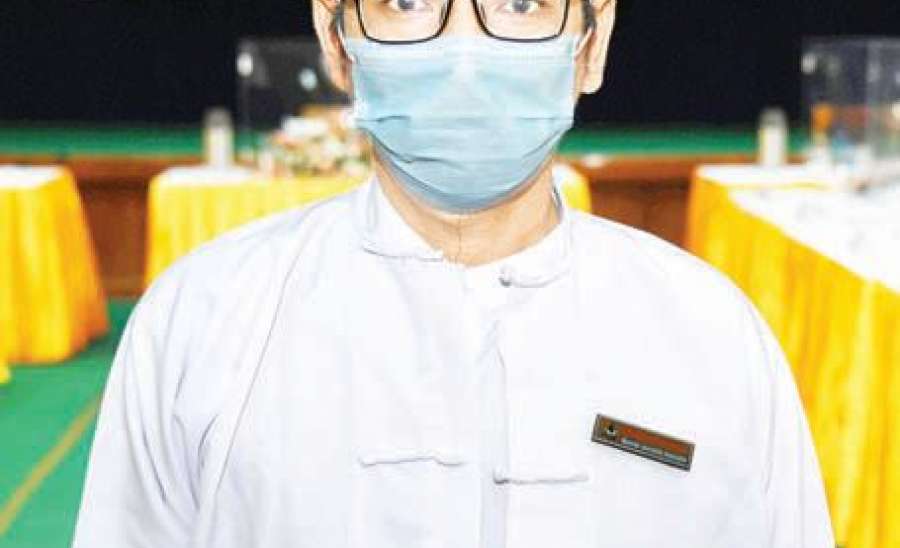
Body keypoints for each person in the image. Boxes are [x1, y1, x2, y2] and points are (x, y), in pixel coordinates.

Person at [72, 0, 835, 546]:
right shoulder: (202, 325)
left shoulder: (712, 338)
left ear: (592, 41)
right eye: (408, 3)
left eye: (520, 4)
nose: (465, 54)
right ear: (336, 40)